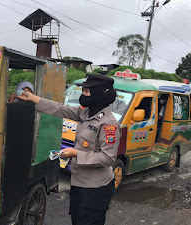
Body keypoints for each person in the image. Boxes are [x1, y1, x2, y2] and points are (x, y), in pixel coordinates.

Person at [18, 74, 120, 225]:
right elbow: (60, 109)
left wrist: (76, 154)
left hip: (96, 188)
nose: (83, 95)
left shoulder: (109, 123)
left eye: (86, 92)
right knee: (77, 220)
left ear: (98, 94)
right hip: (79, 182)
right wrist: (32, 98)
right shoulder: (85, 113)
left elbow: (108, 158)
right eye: (83, 91)